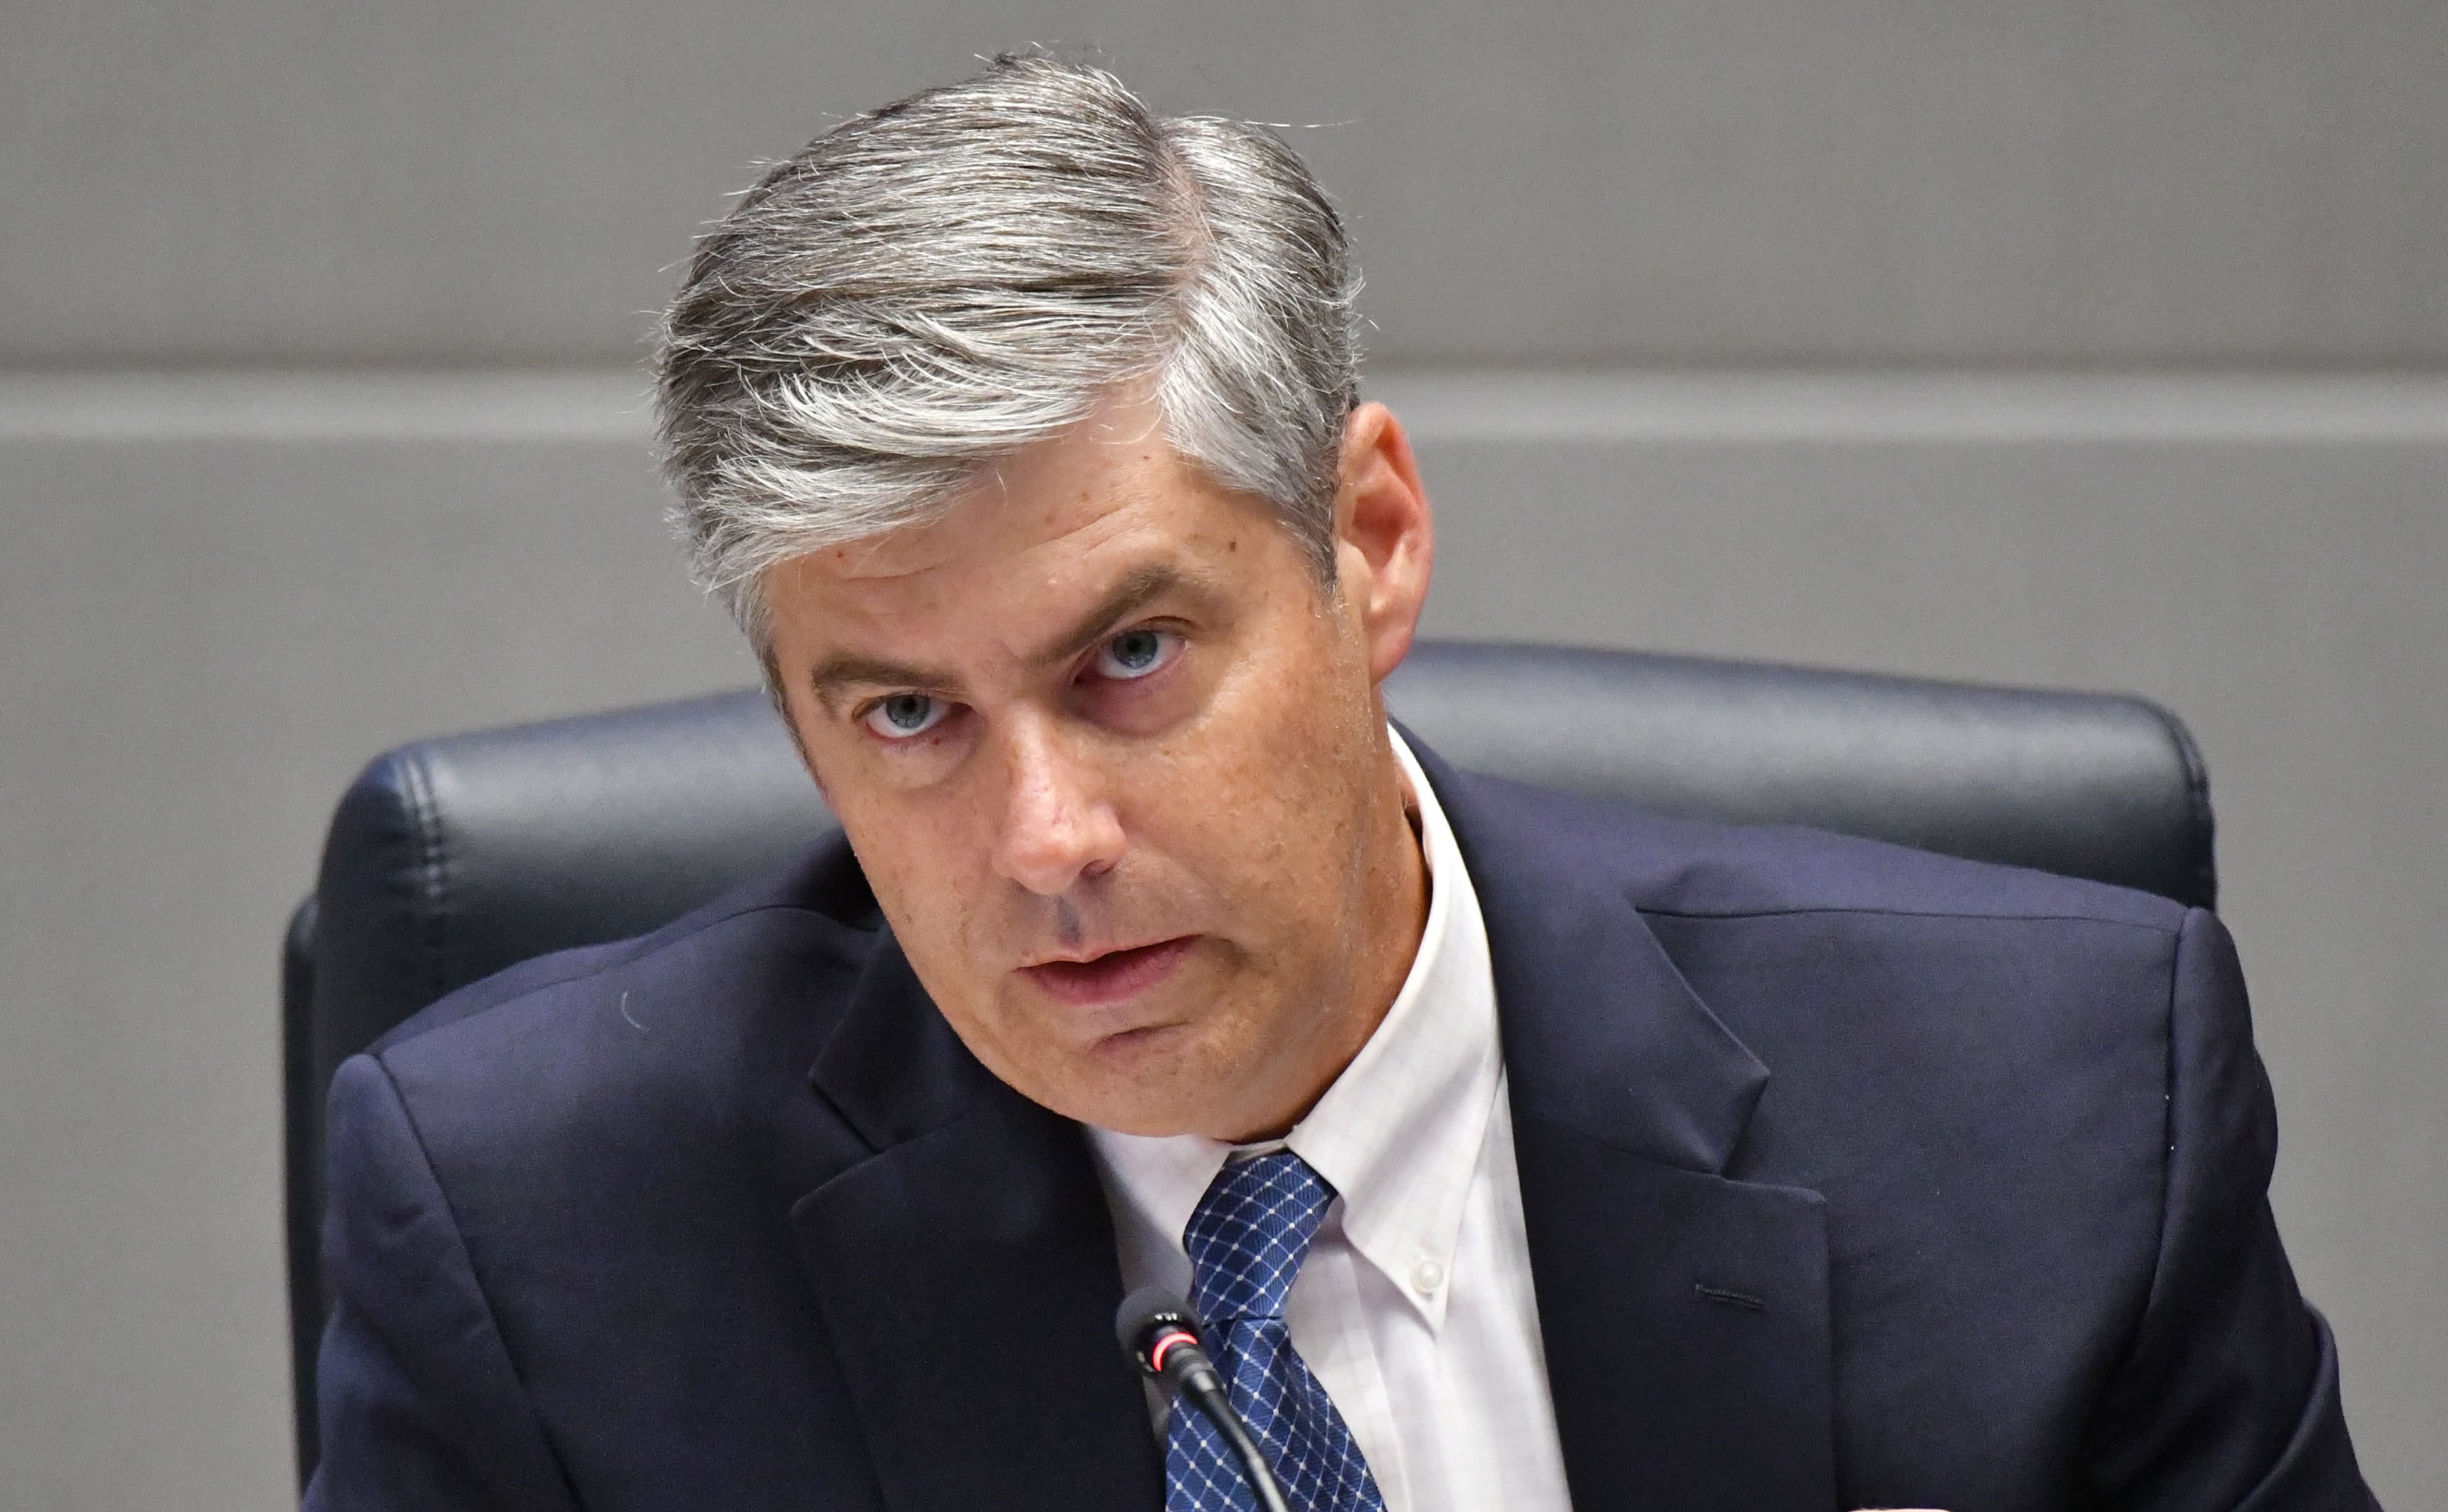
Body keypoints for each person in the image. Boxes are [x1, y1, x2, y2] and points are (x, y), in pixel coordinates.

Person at [303, 56, 2376, 1512]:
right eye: (905, 717)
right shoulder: (538, 1227)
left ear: (1367, 541)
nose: (1046, 849)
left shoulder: (2052, 1108)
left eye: (1129, 657)